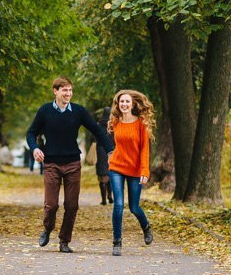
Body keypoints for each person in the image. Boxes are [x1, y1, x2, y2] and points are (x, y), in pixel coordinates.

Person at [26, 76, 113, 253]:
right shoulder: (45, 111)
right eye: (65, 90)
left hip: (73, 162)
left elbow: (98, 131)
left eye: (70, 90)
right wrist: (35, 148)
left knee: (72, 206)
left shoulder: (79, 111)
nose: (68, 94)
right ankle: (48, 228)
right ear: (55, 91)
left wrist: (110, 151)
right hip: (51, 163)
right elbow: (31, 132)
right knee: (51, 205)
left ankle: (64, 241)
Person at [106, 89, 155, 256]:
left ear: (132, 103)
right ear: (118, 105)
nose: (124, 104)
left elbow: (144, 149)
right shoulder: (115, 121)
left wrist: (144, 171)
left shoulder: (141, 123)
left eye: (127, 101)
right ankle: (117, 242)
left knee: (134, 207)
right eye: (121, 102)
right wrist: (110, 155)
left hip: (135, 169)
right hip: (117, 168)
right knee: (118, 204)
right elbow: (114, 143)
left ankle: (146, 227)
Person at [92, 106, 113, 204]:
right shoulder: (113, 124)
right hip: (112, 151)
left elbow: (93, 138)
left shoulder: (98, 125)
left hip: (100, 151)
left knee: (102, 175)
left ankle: (103, 199)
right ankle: (110, 196)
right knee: (110, 173)